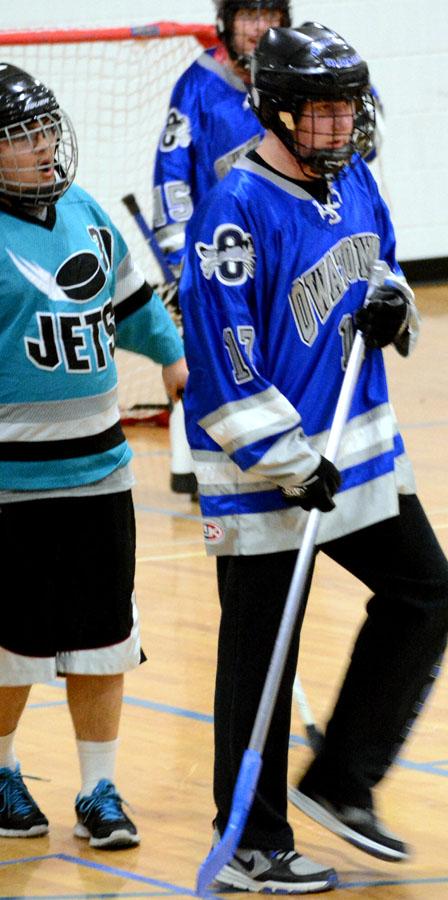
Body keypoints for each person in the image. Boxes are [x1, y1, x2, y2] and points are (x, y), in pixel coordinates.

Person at [179, 22, 448, 894]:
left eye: (349, 110)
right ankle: (252, 841)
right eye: (325, 113)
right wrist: (290, 462)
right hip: (266, 478)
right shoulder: (234, 213)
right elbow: (223, 372)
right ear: (279, 111)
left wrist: (392, 307)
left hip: (360, 458)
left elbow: (388, 269)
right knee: (263, 654)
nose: (342, 128)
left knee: (425, 595)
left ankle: (341, 780)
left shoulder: (354, 180)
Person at [0, 64, 187, 849]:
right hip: (12, 483)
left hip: (102, 473)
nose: (44, 147)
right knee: (11, 641)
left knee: (105, 634)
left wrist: (179, 368)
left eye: (46, 130)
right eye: (21, 138)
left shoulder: (85, 212)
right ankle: (3, 773)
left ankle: (98, 788)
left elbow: (135, 308)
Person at [153, 0, 291, 499]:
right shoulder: (197, 84)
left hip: (284, 258)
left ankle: (286, 456)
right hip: (219, 262)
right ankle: (200, 465)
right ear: (227, 24)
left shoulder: (296, 75)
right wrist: (178, 262)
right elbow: (170, 179)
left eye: (270, 14)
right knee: (216, 362)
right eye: (248, 16)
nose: (260, 28)